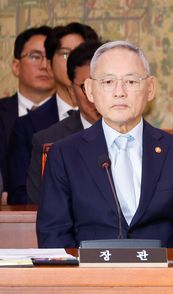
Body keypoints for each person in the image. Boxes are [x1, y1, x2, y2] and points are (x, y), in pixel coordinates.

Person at [37, 40, 173, 248]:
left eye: (131, 81)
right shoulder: (64, 154)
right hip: (89, 277)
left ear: (150, 88)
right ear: (90, 90)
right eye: (108, 82)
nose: (120, 92)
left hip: (162, 275)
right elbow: (54, 235)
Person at [7, 22, 100, 204]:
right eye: (66, 53)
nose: (75, 58)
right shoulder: (34, 130)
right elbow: (23, 195)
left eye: (80, 51)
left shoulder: (123, 122)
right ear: (49, 65)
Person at [26, 41, 103, 204]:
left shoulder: (140, 136)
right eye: (86, 87)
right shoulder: (49, 142)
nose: (94, 96)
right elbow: (41, 208)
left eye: (104, 84)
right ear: (72, 93)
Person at [0, 26, 55, 193]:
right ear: (16, 66)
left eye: (50, 58)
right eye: (35, 56)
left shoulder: (71, 116)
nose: (44, 65)